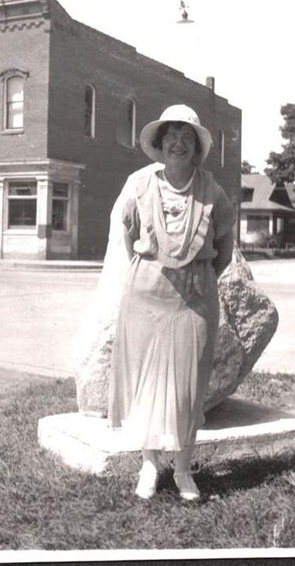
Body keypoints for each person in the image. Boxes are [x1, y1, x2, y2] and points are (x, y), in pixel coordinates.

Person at [107, 104, 234, 502]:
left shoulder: (212, 191)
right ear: (160, 144)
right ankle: (149, 465)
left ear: (196, 146)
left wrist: (198, 276)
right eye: (171, 136)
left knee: (187, 389)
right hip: (145, 296)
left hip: (195, 300)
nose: (178, 143)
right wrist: (148, 272)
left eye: (187, 137)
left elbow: (225, 248)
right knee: (146, 385)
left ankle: (182, 471)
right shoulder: (139, 186)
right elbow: (126, 235)